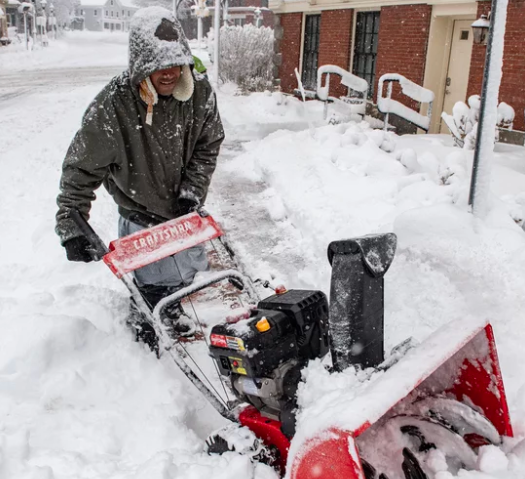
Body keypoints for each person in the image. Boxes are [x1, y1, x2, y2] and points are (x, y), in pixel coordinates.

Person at [55, 7, 225, 345]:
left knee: (183, 281)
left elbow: (210, 143)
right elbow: (81, 168)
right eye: (157, 66)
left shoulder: (198, 93)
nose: (169, 74)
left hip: (183, 215)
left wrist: (192, 191)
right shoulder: (113, 106)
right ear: (140, 65)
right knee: (151, 291)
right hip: (141, 219)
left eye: (175, 64)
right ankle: (145, 340)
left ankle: (172, 315)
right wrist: (71, 225)